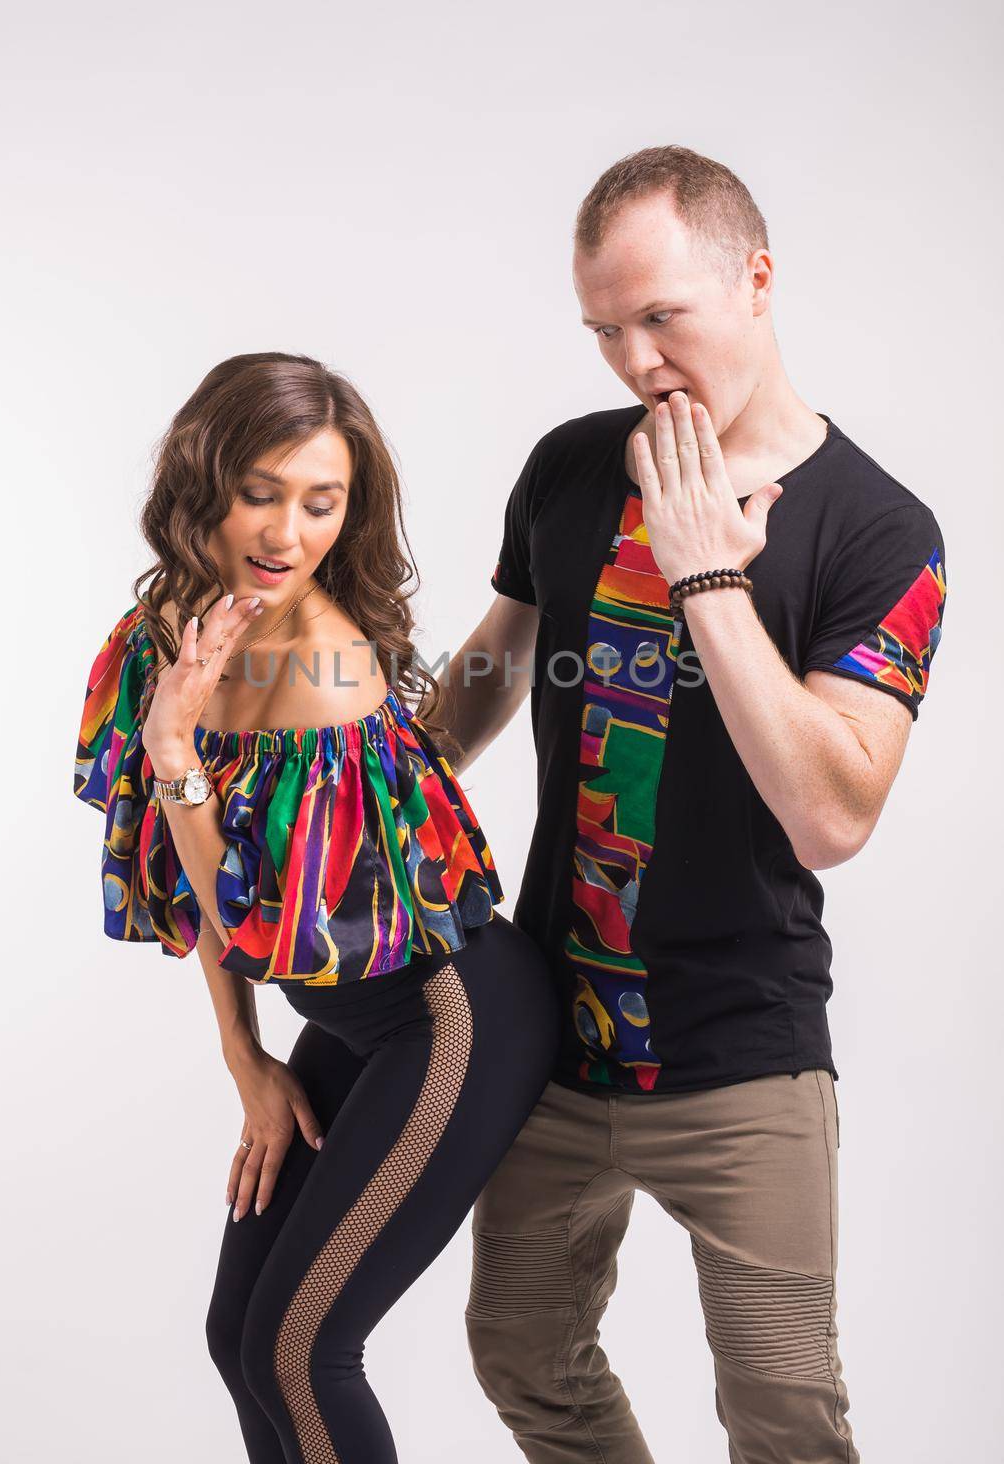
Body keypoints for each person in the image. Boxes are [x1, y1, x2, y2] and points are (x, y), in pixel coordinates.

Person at [445, 147, 947, 1463]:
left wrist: (705, 581)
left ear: (755, 278)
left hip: (740, 1054)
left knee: (783, 1418)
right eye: (605, 328)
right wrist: (318, 747)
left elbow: (831, 817)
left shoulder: (876, 532)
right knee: (521, 1359)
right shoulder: (566, 467)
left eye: (660, 315)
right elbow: (485, 677)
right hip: (545, 1039)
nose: (633, 360)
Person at [72, 351, 560, 1464]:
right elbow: (182, 881)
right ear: (202, 481)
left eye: (320, 502)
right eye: (260, 490)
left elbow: (246, 915)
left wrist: (171, 747)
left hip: (454, 1019)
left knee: (301, 1348)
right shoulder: (171, 631)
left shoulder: (323, 673)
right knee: (235, 1336)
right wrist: (247, 1062)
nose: (285, 532)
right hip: (351, 1017)